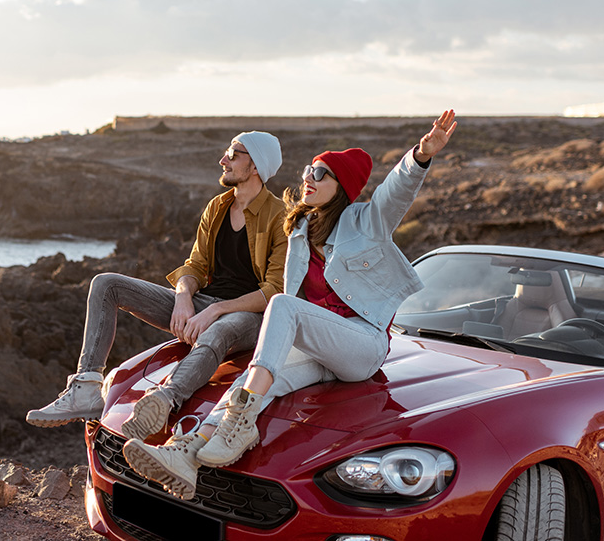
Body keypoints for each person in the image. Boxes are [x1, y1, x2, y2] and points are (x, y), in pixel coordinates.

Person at [123, 110, 457, 500]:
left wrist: (420, 154)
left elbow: (395, 191)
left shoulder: (367, 222)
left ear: (341, 186)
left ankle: (241, 424)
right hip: (319, 343)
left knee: (282, 306)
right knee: (258, 377)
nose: (307, 179)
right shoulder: (299, 231)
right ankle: (188, 453)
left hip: (362, 346)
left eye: (319, 174)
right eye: (306, 171)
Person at [26, 131, 288, 444]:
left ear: (256, 166)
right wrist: (183, 296)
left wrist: (216, 309)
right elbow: (195, 266)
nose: (223, 160)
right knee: (106, 284)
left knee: (216, 330)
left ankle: (163, 402)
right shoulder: (217, 207)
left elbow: (274, 289)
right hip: (204, 304)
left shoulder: (280, 216)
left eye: (233, 154)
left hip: (247, 316)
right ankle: (85, 388)